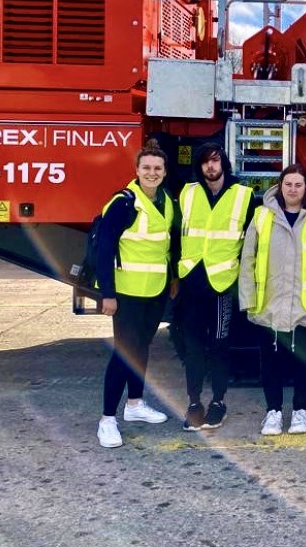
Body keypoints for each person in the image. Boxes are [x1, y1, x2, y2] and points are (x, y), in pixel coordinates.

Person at [239, 164, 306, 436]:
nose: (293, 189)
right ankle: (274, 412)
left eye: (298, 185)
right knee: (270, 360)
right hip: (269, 302)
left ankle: (300, 411)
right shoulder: (261, 216)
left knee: (305, 360)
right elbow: (248, 260)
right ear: (280, 187)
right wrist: (247, 298)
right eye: (288, 184)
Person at [95, 140, 178, 448]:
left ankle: (135, 405)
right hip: (127, 292)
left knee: (142, 348)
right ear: (137, 171)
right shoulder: (123, 202)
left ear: (164, 171)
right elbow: (104, 250)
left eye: (157, 168)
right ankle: (107, 420)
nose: (152, 173)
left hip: (154, 292)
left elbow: (165, 247)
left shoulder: (167, 201)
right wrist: (107, 294)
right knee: (124, 354)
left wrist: (172, 279)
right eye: (147, 168)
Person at [176, 142, 255, 431]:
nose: (211, 166)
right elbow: (175, 234)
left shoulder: (243, 196)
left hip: (222, 286)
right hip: (191, 283)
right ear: (200, 166)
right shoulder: (187, 193)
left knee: (220, 345)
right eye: (206, 162)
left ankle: (219, 402)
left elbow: (253, 242)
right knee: (193, 347)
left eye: (215, 160)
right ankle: (194, 402)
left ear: (223, 163)